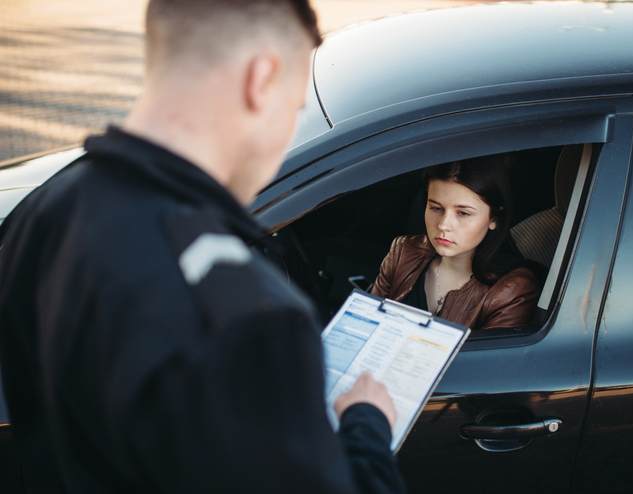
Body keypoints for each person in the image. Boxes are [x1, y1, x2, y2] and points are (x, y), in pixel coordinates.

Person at [0, 1, 405, 493]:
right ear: (261, 78)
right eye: (295, 109)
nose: (285, 137)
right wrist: (366, 425)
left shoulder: (42, 212)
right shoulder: (252, 318)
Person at [370, 157, 540, 331]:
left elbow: (486, 358)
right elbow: (364, 325)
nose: (443, 225)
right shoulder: (403, 252)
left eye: (463, 213)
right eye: (436, 208)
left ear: (494, 218)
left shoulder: (511, 290)